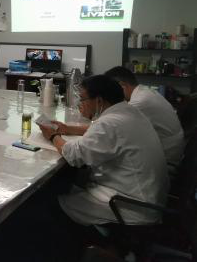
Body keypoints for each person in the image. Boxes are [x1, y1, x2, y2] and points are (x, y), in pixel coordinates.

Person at [38, 75, 169, 226]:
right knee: (69, 183)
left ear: (99, 101)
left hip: (129, 207)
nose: (80, 103)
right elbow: (102, 130)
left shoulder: (109, 124)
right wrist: (68, 129)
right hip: (147, 199)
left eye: (82, 99)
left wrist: (53, 136)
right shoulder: (129, 112)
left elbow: (75, 155)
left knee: (51, 204)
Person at [105, 66, 184, 168]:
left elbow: (110, 128)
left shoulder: (140, 102)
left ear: (122, 86)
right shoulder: (146, 91)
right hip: (171, 149)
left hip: (166, 159)